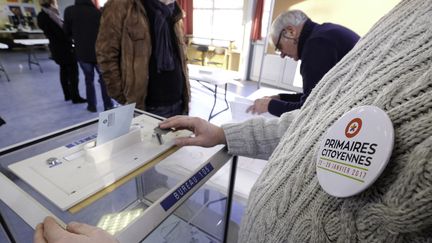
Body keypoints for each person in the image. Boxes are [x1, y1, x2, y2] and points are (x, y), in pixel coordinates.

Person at [34, 0, 432, 242]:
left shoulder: (173, 12)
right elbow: (320, 120)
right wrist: (225, 131)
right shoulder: (403, 19)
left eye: (283, 47)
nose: (286, 57)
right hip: (143, 100)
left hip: (171, 93)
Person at [247, 10, 359, 117]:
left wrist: (269, 106)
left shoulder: (316, 45)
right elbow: (316, 96)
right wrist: (280, 98)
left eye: (279, 47)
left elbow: (309, 111)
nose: (281, 55)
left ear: (291, 32)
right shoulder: (324, 33)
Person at [96, 0, 190, 118]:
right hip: (147, 106)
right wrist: (122, 96)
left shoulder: (174, 9)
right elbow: (106, 54)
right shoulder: (121, 5)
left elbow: (181, 55)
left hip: (179, 101)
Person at [63, 0, 114, 112]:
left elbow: (66, 32)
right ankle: (108, 105)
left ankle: (92, 106)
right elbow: (105, 33)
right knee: (103, 80)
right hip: (99, 53)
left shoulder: (69, 11)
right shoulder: (97, 12)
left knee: (88, 80)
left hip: (82, 52)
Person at [37, 0, 86, 104]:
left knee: (63, 71)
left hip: (56, 48)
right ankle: (75, 97)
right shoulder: (51, 15)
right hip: (64, 49)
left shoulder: (42, 15)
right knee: (73, 73)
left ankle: (67, 95)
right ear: (52, 3)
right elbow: (62, 33)